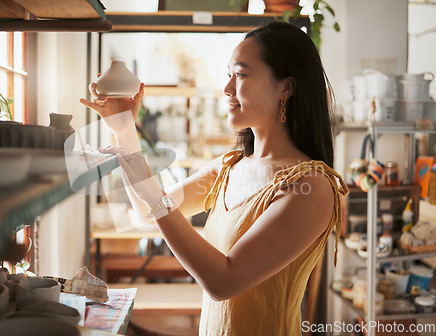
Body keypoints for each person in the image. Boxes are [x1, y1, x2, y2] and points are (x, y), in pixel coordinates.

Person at [80, 21, 349, 336]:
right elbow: (146, 214)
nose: (227, 88)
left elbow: (224, 281)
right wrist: (123, 126)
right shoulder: (229, 167)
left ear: (286, 87)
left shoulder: (310, 186)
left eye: (242, 74)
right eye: (229, 75)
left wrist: (152, 190)